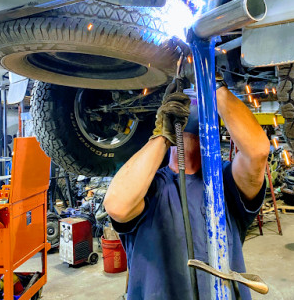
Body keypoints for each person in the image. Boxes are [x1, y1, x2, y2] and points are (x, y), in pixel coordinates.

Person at [104, 78, 270, 300]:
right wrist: (163, 135)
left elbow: (257, 152)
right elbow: (117, 205)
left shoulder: (225, 183)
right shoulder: (149, 185)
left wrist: (212, 83)